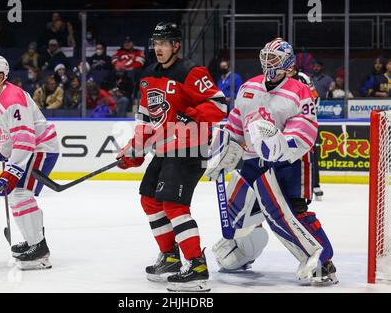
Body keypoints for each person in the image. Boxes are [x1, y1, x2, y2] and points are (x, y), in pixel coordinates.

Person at [206, 38, 338, 286]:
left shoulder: (300, 91)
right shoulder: (249, 87)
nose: (268, 62)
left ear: (288, 62)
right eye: (266, 56)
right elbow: (236, 123)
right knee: (236, 207)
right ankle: (244, 252)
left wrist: (279, 145)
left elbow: (304, 132)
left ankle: (323, 261)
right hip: (253, 160)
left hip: (290, 163)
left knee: (285, 213)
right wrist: (223, 150)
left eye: (275, 58)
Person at [116, 22, 226, 292]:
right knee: (150, 200)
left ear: (176, 45)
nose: (159, 48)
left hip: (191, 148)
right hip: (165, 149)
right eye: (156, 43)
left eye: (164, 43)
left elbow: (219, 105)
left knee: (173, 205)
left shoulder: (192, 72)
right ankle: (169, 257)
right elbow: (145, 119)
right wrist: (135, 150)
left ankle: (197, 265)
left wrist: (190, 116)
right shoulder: (148, 76)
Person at [0, 56, 59, 270]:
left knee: (20, 193)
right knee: (19, 194)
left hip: (41, 147)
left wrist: (12, 171)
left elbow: (25, 140)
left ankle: (39, 250)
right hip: (27, 147)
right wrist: (0, 147)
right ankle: (35, 242)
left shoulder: (13, 100)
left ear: (1, 76)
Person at [288, 68, 323, 201]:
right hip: (285, 124)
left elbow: (315, 98)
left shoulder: (303, 78)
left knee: (310, 153)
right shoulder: (278, 77)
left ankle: (315, 185)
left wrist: (305, 116)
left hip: (305, 123)